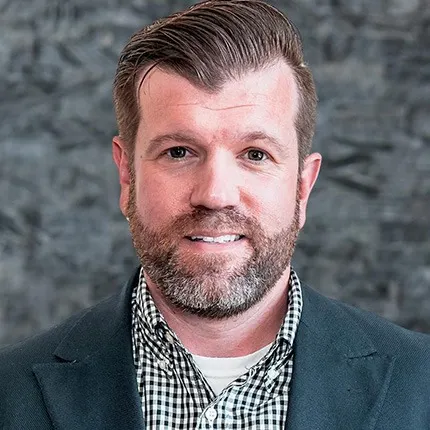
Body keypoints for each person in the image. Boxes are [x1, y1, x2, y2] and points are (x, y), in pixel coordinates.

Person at [1, 0, 429, 428]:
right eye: (179, 152)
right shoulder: (9, 391)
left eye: (255, 154)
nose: (215, 195)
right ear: (127, 175)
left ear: (302, 187)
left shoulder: (421, 384)